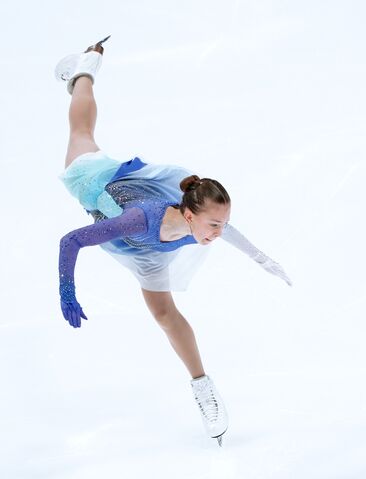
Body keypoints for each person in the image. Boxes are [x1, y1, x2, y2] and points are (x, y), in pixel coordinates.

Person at [55, 36, 292, 446]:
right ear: (189, 215)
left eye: (222, 224)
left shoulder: (197, 222)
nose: (219, 233)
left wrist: (263, 260)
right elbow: (72, 240)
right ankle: (83, 71)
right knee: (81, 131)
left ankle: (202, 387)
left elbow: (229, 231)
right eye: (214, 226)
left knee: (165, 315)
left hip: (153, 250)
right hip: (96, 182)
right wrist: (67, 289)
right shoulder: (137, 220)